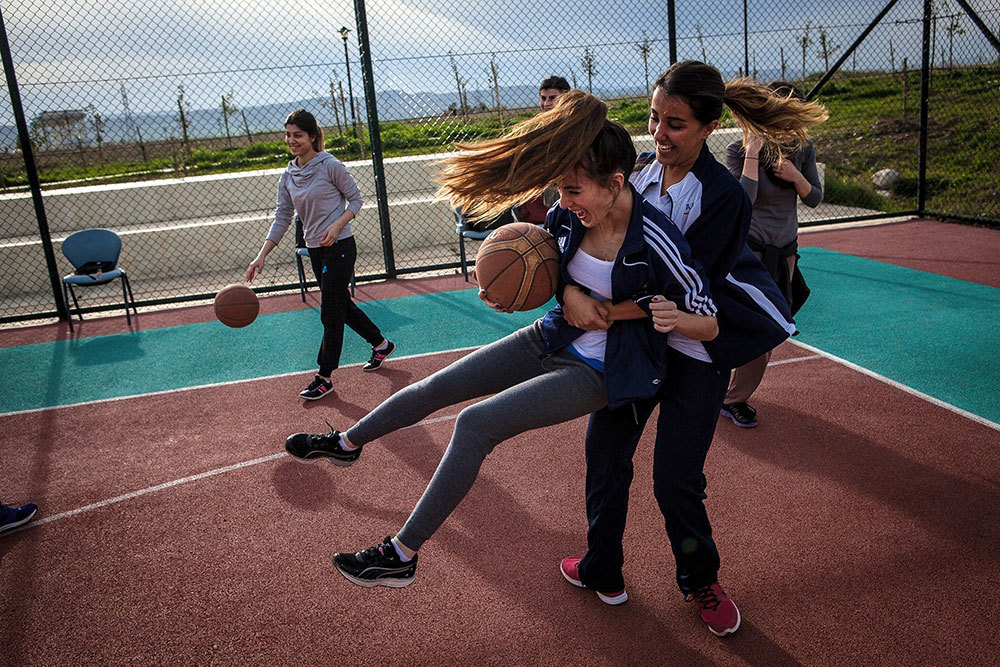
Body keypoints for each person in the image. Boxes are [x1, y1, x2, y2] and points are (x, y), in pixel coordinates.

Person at [284, 91, 719, 593]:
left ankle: (401, 554)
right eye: (560, 190)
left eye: (574, 192)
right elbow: (546, 268)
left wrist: (666, 316)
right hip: (552, 335)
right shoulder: (567, 217)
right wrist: (548, 290)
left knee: (475, 423)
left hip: (600, 372)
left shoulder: (657, 238)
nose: (564, 203)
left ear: (615, 184)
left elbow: (708, 322)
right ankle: (344, 443)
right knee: (435, 388)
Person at [560, 62, 827, 636]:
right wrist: (568, 286)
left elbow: (688, 286)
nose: (659, 133)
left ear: (709, 127)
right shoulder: (631, 176)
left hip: (693, 354)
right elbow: (580, 234)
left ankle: (699, 578)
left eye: (675, 123)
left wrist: (596, 307)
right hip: (632, 345)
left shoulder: (724, 196)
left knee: (676, 478)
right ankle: (602, 563)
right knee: (606, 458)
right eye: (654, 117)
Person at [246, 109, 395, 400]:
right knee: (340, 304)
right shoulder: (288, 175)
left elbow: (356, 199)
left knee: (330, 311)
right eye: (288, 135)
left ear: (312, 136)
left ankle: (324, 376)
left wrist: (337, 225)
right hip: (315, 250)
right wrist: (261, 254)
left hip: (339, 248)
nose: (292, 140)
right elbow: (283, 216)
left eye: (297, 135)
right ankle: (380, 344)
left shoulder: (330, 166)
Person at [720, 81, 823, 428]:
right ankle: (730, 396)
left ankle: (732, 395)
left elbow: (814, 198)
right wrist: (752, 152)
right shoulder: (737, 150)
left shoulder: (803, 151)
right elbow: (742, 204)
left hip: (785, 255)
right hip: (749, 254)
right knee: (756, 329)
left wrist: (796, 177)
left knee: (768, 331)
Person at [514, 76, 572, 224]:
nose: (546, 104)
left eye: (552, 98)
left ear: (566, 98)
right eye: (543, 98)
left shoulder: (572, 126)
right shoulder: (540, 128)